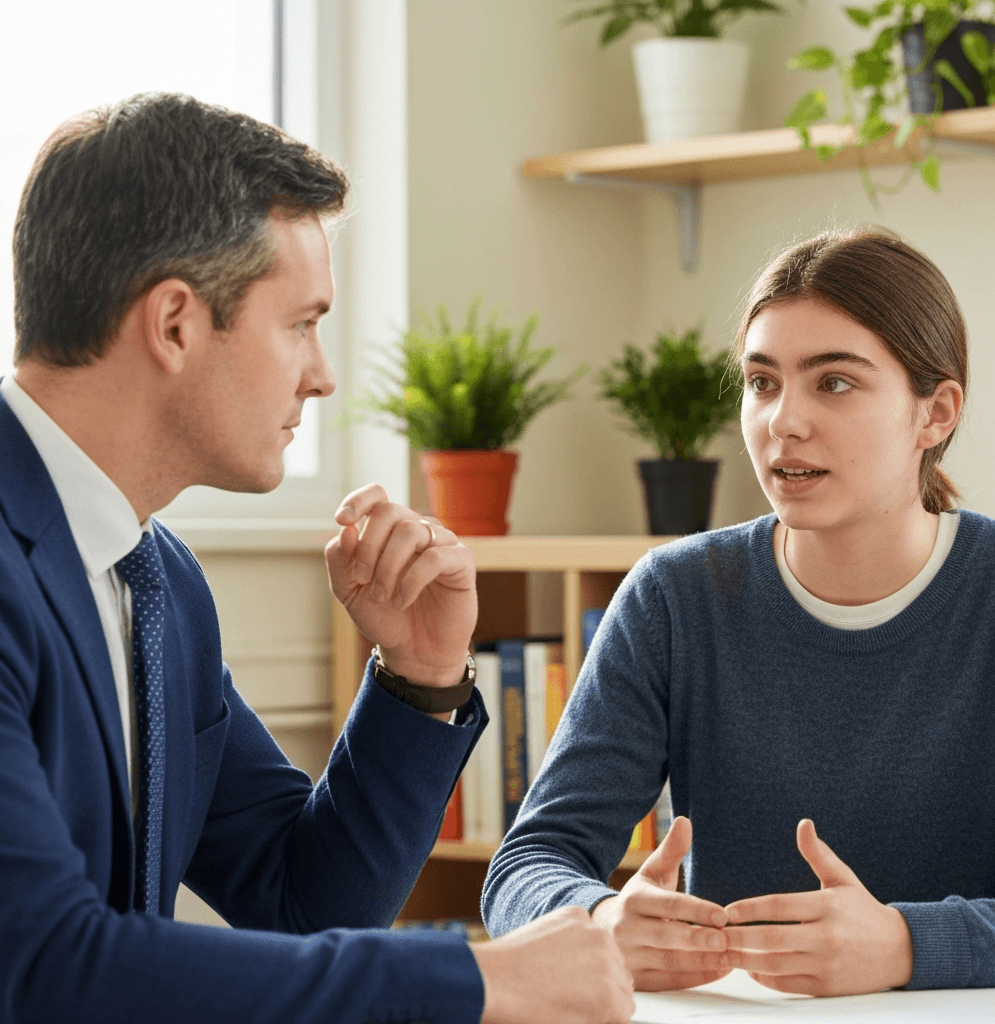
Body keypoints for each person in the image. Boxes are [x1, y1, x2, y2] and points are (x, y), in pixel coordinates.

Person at [0, 92, 634, 1024]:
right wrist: (482, 978)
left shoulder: (159, 581)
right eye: (301, 322)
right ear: (175, 323)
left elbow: (305, 904)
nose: (323, 373)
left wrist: (419, 676)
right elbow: (42, 967)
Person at [482, 228, 995, 997]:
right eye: (763, 382)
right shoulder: (673, 596)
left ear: (935, 414)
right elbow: (525, 867)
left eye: (833, 382)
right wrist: (601, 920)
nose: (783, 421)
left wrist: (906, 944)